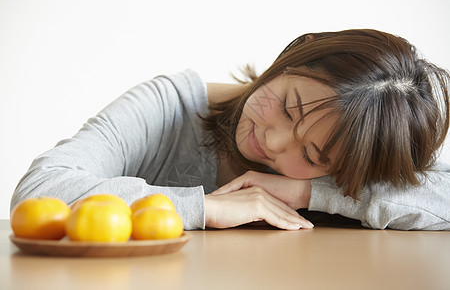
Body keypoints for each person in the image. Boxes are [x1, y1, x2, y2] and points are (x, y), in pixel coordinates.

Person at [11, 29, 450, 231]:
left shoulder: (348, 163)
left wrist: (309, 193)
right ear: (297, 52)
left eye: (313, 156)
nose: (274, 141)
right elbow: (40, 192)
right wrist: (201, 207)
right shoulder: (168, 106)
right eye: (288, 107)